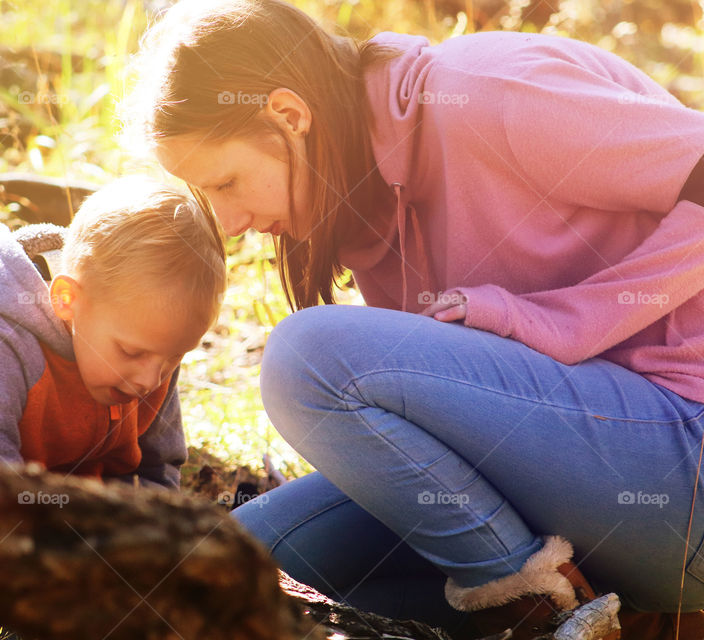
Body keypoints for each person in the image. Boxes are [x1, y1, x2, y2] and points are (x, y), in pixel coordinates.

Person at [129, 0, 704, 637]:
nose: (229, 223)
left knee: (307, 359)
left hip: (684, 453)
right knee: (220, 572)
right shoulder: (361, 204)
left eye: (228, 182)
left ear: (289, 115)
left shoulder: (487, 93)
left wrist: (566, 321)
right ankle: (600, 612)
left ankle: (544, 613)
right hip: (583, 489)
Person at [0, 176, 226, 490]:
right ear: (67, 299)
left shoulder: (154, 341)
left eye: (175, 357)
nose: (150, 380)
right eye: (131, 354)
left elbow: (153, 475)